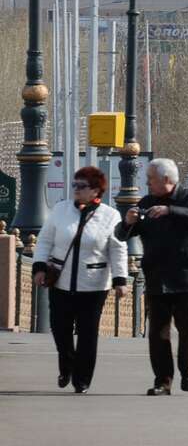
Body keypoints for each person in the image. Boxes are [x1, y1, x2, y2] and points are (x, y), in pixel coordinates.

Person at [29, 166, 128, 393]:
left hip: (93, 285)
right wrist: (40, 267)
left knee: (87, 334)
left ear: (96, 190)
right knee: (60, 330)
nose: (76, 190)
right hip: (60, 282)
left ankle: (82, 379)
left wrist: (120, 280)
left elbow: (118, 249)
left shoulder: (110, 216)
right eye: (75, 185)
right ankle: (67, 364)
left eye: (82, 186)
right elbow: (44, 241)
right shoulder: (60, 210)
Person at [120, 158, 188, 395]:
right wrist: (128, 222)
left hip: (185, 276)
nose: (147, 183)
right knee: (158, 333)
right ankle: (162, 381)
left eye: (151, 179)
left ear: (166, 180)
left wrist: (170, 211)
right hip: (156, 276)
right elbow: (122, 235)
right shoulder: (147, 202)